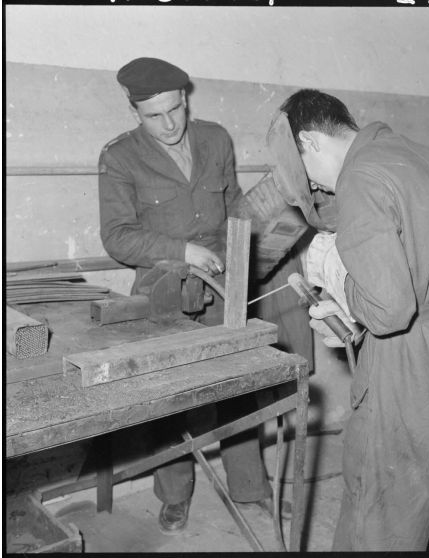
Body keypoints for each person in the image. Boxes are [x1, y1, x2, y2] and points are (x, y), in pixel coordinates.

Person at [98, 57, 311, 534]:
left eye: (175, 109)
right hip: (163, 296)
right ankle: (174, 496)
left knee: (239, 390)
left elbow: (233, 202)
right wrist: (182, 250)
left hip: (225, 288)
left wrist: (263, 218)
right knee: (171, 400)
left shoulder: (215, 139)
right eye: (155, 116)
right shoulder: (119, 157)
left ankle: (251, 489)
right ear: (134, 110)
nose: (170, 123)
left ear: (185, 98)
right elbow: (116, 236)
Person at [279, 89, 429, 551]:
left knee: (380, 520)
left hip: (403, 374)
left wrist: (336, 272)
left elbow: (390, 311)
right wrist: (355, 310)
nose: (315, 188)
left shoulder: (362, 178)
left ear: (310, 142)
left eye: (307, 174)